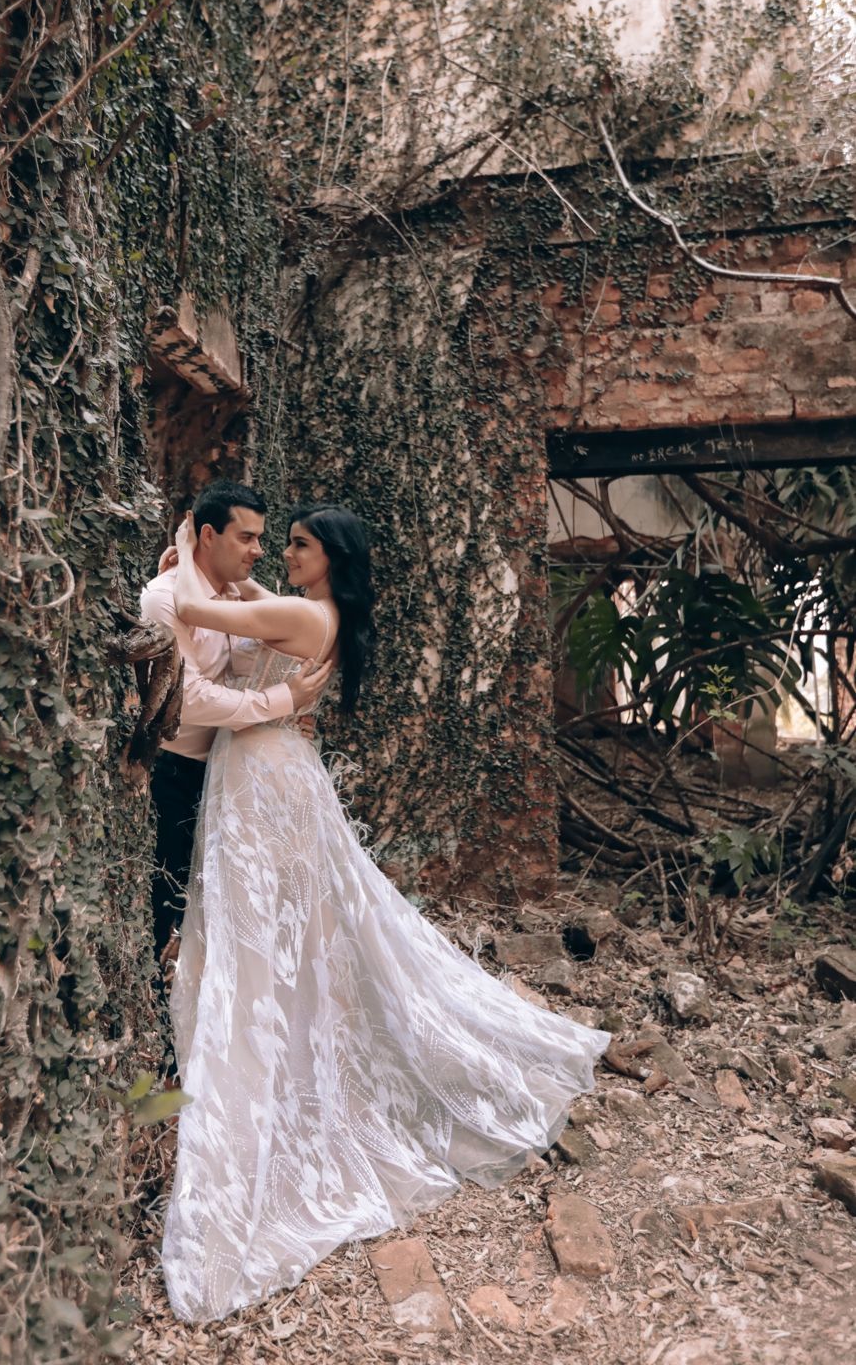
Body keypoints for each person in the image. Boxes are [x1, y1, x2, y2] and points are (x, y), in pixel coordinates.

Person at [161, 502, 611, 1324]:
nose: (279, 554)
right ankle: (286, 1059)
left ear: (326, 556)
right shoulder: (316, 610)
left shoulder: (298, 611)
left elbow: (187, 610)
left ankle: (260, 1081)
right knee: (289, 941)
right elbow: (249, 600)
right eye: (275, 541)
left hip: (263, 784)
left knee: (261, 945)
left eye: (295, 544)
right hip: (270, 773)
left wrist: (181, 566)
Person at [140, 481, 331, 965]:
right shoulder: (165, 600)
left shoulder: (238, 601)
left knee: (240, 912)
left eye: (261, 537)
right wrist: (280, 701)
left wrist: (283, 714)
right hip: (181, 774)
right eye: (247, 538)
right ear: (207, 535)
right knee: (175, 907)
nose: (260, 550)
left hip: (238, 777)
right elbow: (190, 699)